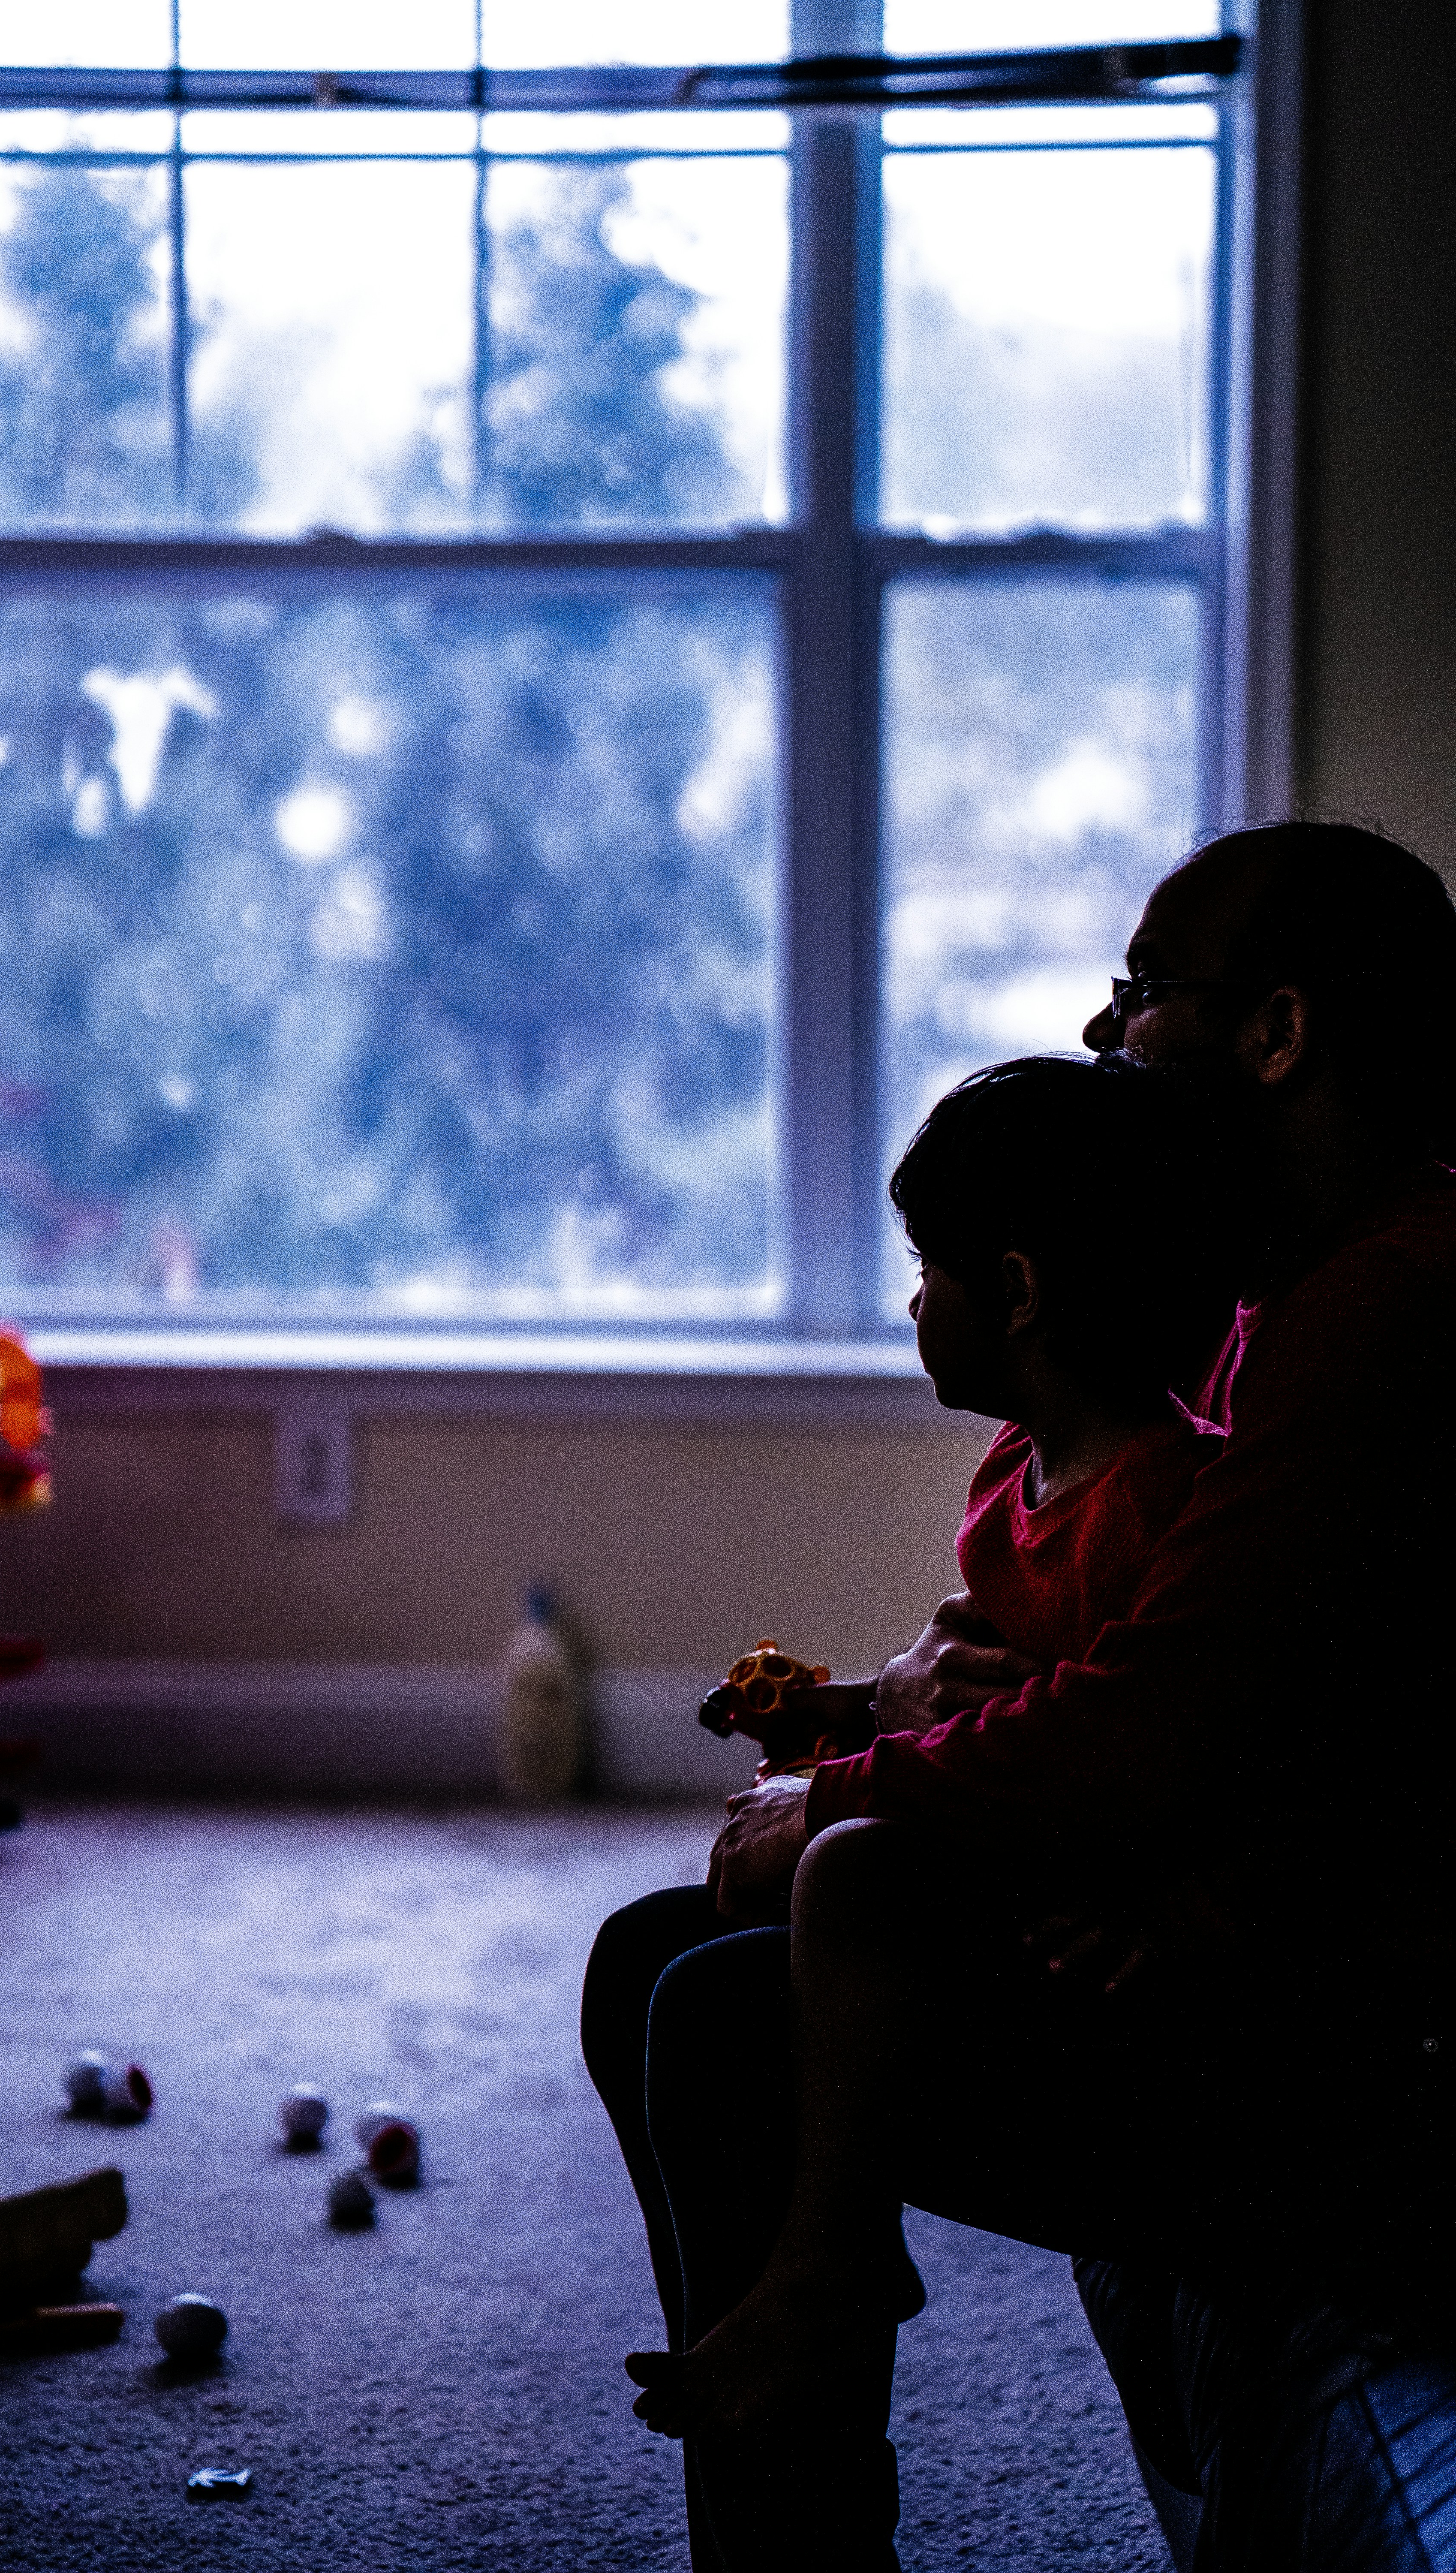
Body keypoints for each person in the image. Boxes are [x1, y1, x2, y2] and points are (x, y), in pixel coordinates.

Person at [582, 821, 1456, 2570]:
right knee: (654, 1959)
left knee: (716, 2013)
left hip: (1342, 2025)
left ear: (1276, 1033)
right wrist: (907, 1701)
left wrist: (837, 1804)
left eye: (1139, 993)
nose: (1100, 1025)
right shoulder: (1271, 1306)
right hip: (1239, 1917)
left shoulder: (1383, 1312)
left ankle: (806, 2480)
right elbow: (1192, 1672)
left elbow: (1151, 1732)